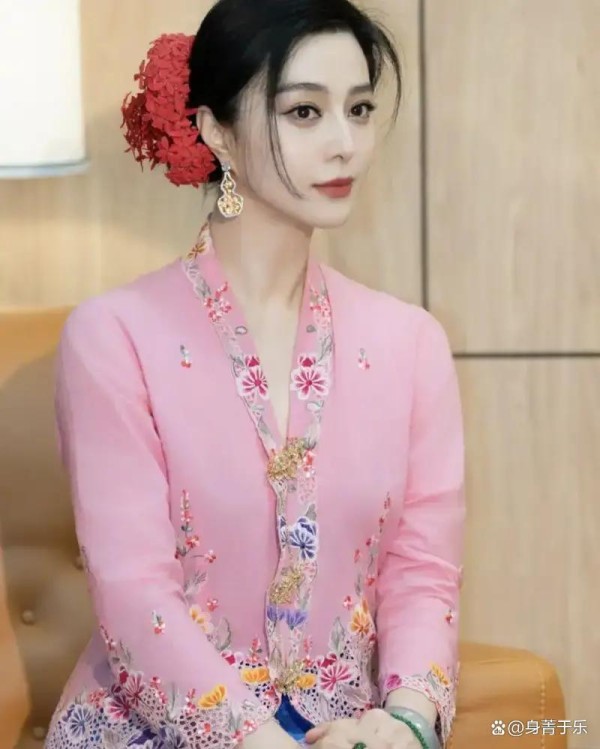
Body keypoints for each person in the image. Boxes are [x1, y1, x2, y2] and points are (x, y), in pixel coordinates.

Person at [45, 0, 466, 748]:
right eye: (305, 112)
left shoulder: (412, 344)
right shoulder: (114, 337)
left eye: (359, 109)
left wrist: (408, 719)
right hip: (153, 731)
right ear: (215, 130)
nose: (345, 144)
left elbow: (421, 570)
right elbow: (134, 594)